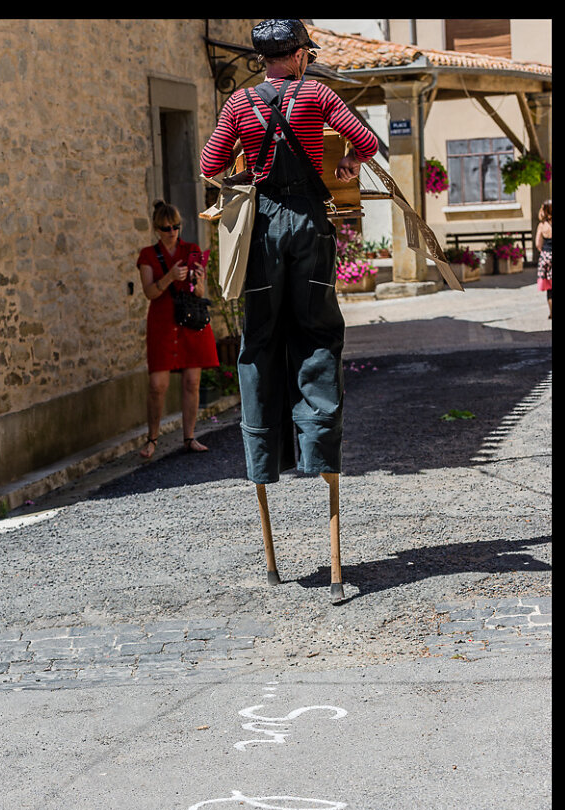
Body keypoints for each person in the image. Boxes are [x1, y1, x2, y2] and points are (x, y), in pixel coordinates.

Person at [200, 18, 379, 486]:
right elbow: (367, 142)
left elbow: (208, 164)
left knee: (260, 338)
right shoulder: (318, 96)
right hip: (309, 223)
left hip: (264, 229)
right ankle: (319, 452)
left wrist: (245, 158)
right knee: (317, 332)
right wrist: (348, 160)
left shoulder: (239, 102)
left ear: (264, 61)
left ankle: (263, 460)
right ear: (300, 55)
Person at [136, 200, 219, 458]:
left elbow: (201, 292)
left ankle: (189, 437)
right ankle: (152, 439)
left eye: (175, 226)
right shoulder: (148, 255)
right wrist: (170, 277)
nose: (172, 231)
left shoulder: (191, 250)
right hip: (162, 323)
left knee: (192, 382)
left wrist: (198, 281)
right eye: (166, 227)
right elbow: (150, 292)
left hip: (190, 321)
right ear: (156, 229)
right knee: (157, 385)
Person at [535, 199, 552, 319]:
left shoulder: (542, 226)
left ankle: (551, 313)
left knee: (550, 289)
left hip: (546, 255)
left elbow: (538, 244)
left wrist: (543, 252)